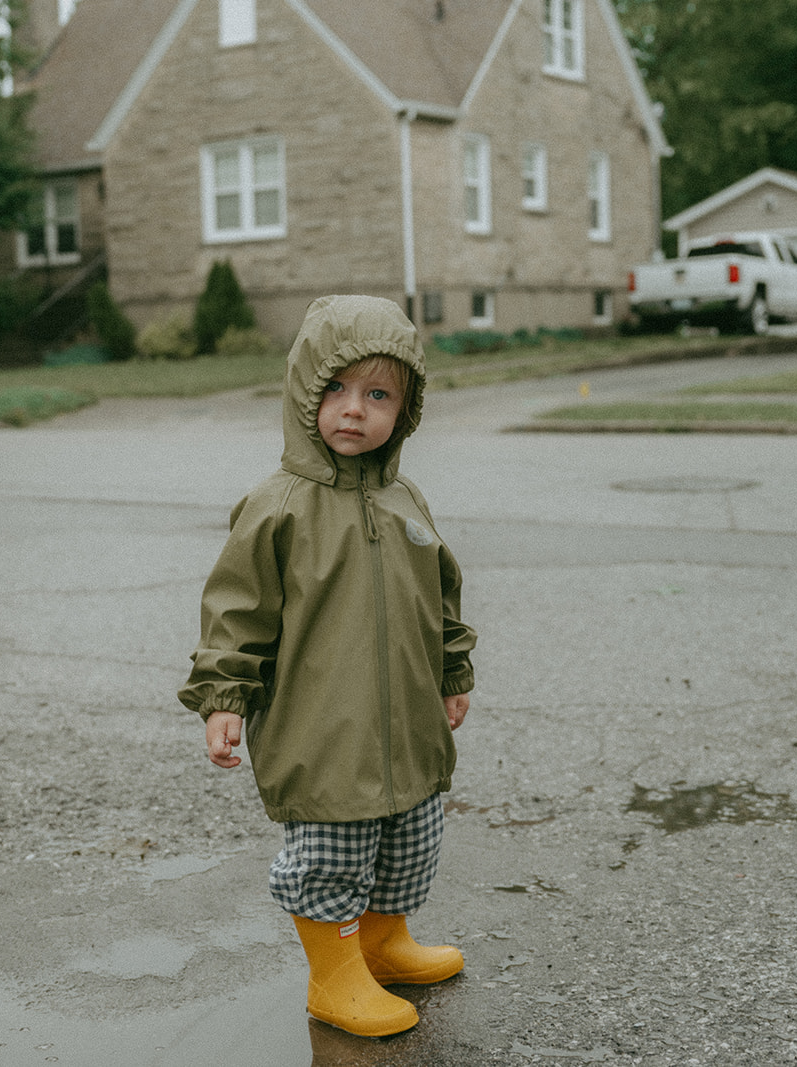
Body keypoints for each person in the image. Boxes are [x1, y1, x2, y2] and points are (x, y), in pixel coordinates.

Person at [179, 294, 477, 1037]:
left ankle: (383, 940)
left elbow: (440, 595)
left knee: (411, 836)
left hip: (406, 718)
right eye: (336, 389)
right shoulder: (279, 506)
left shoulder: (405, 498)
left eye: (378, 395)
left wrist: (452, 670)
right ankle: (333, 974)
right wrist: (224, 696)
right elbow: (237, 609)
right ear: (304, 391)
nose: (354, 410)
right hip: (323, 728)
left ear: (403, 410)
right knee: (333, 849)